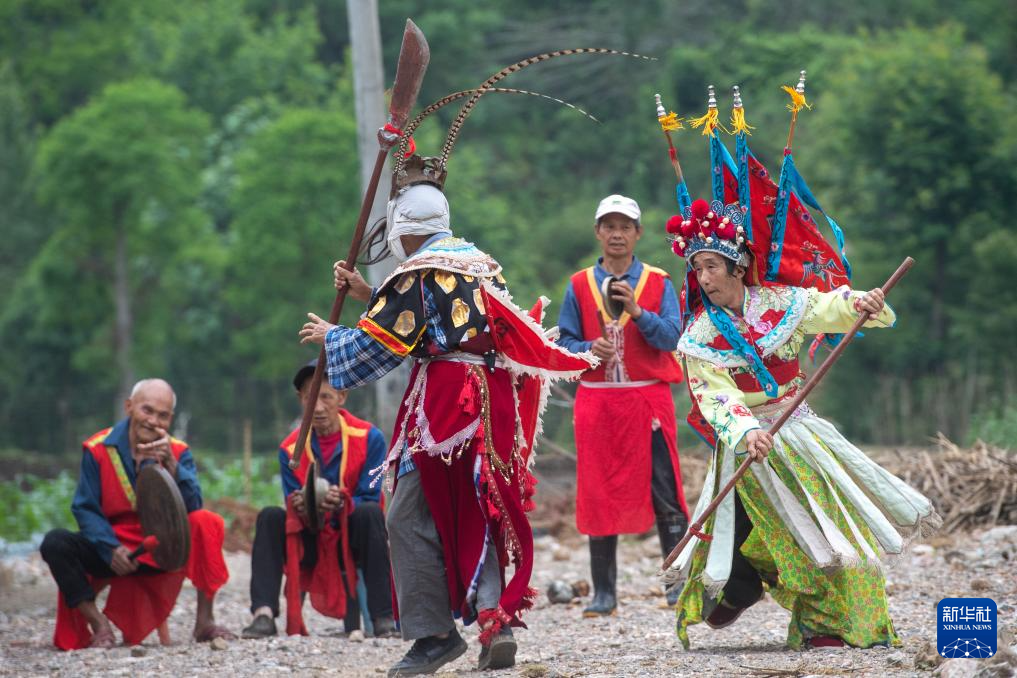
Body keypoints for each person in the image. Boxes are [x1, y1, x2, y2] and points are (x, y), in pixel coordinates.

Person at [665, 198, 940, 649]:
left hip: (800, 430)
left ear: (738, 266)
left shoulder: (782, 302)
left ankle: (838, 622)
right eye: (698, 269)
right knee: (778, 531)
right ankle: (758, 595)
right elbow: (714, 395)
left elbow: (829, 306)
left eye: (712, 266)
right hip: (750, 445)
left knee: (831, 522)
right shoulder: (699, 336)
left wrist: (861, 302)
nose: (704, 278)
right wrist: (746, 431)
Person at [556, 194, 690, 615]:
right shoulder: (579, 284)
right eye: (609, 226)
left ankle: (676, 585)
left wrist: (638, 311)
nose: (617, 234)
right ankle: (604, 594)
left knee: (665, 488)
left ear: (637, 233)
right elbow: (563, 343)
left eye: (625, 226)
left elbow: (672, 338)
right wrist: (587, 349)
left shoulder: (658, 282)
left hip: (647, 399)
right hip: (597, 401)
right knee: (598, 492)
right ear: (598, 232)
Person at [40, 378, 233, 649]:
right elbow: (85, 508)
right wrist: (110, 547)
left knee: (206, 521)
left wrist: (171, 464)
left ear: (170, 419)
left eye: (162, 416)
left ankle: (204, 621)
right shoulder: (98, 448)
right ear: (129, 407)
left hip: (162, 547)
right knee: (55, 542)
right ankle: (99, 624)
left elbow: (193, 505)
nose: (153, 421)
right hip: (114, 547)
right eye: (147, 410)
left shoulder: (178, 450)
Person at [241, 360, 394, 639]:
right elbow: (291, 500)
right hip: (311, 537)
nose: (318, 407)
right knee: (270, 517)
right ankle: (263, 614)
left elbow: (371, 494)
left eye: (326, 397)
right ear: (301, 399)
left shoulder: (370, 438)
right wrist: (301, 505)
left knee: (371, 512)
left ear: (342, 396)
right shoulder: (289, 448)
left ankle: (383, 617)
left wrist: (342, 501)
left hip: (353, 536)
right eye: (310, 398)